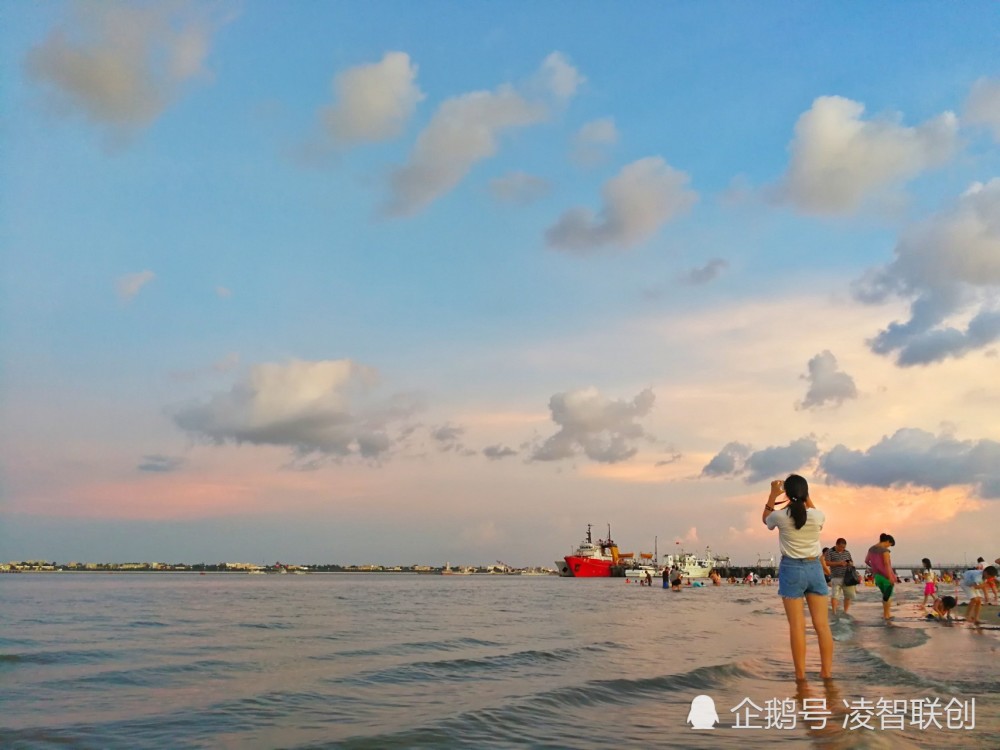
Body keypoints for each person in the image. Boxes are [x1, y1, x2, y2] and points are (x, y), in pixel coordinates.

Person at [763, 474, 833, 681]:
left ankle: (801, 676)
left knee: (797, 626)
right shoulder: (817, 515)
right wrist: (805, 495)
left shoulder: (780, 516)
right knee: (822, 626)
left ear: (787, 493)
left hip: (791, 569)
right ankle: (826, 673)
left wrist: (773, 494)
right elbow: (812, 510)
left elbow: (765, 519)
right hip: (814, 568)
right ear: (806, 492)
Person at [864, 533, 899, 623]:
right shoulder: (885, 551)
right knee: (889, 596)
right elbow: (887, 564)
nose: (889, 547)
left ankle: (885, 614)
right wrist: (890, 576)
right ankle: (887, 615)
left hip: (877, 576)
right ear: (887, 541)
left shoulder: (871, 549)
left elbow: (867, 561)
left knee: (885, 595)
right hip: (886, 576)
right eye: (889, 545)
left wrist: (875, 567)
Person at [824, 538, 856, 616]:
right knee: (835, 595)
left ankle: (845, 612)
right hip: (836, 577)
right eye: (841, 547)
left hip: (847, 577)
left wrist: (850, 563)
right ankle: (834, 612)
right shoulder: (830, 552)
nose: (842, 549)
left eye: (844, 547)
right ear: (836, 545)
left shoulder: (847, 552)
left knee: (848, 595)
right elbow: (826, 563)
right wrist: (839, 563)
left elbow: (851, 561)